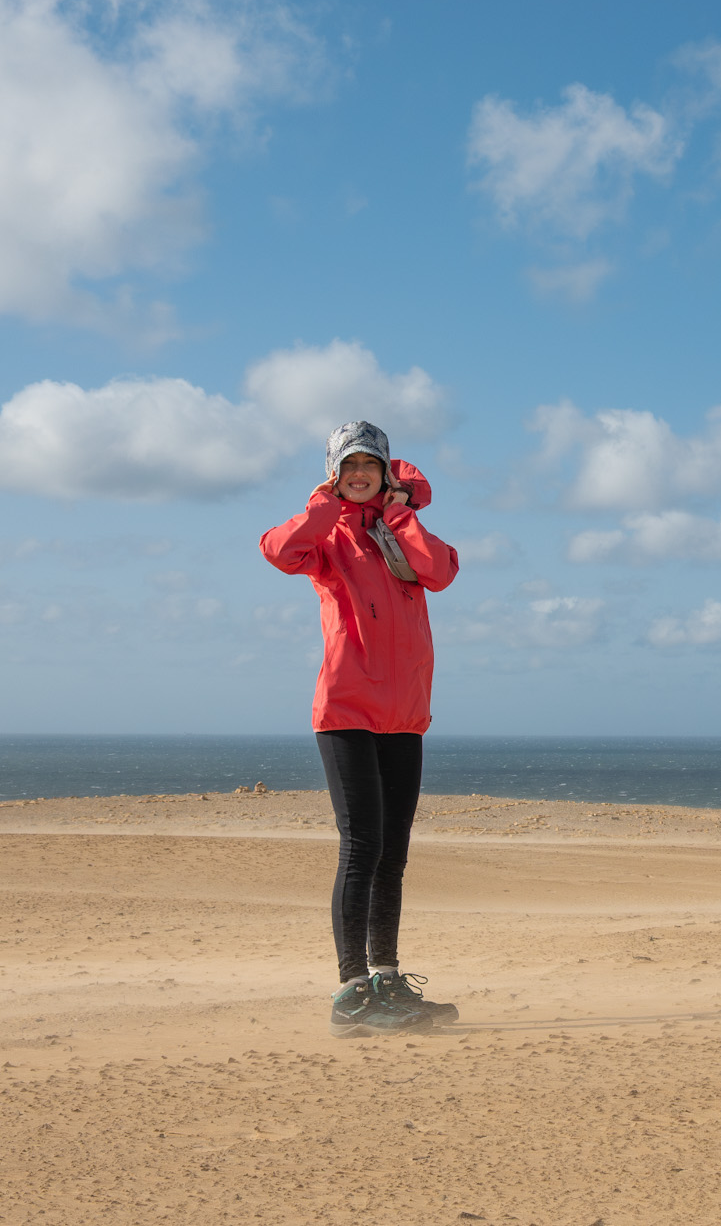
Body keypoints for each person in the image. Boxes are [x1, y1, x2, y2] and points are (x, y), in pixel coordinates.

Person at [260, 420, 462, 1036]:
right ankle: (351, 992)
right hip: (347, 710)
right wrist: (327, 506)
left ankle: (386, 979)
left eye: (368, 466)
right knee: (363, 847)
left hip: (403, 716)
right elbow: (277, 549)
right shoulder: (328, 539)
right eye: (347, 467)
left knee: (393, 855)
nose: (359, 475)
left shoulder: (400, 531)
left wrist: (400, 515)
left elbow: (441, 570)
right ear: (333, 475)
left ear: (385, 471)